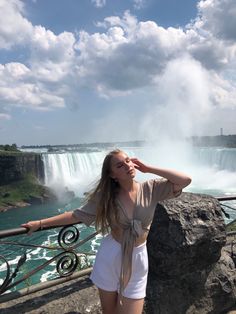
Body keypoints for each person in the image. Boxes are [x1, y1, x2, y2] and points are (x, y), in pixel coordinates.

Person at [22, 149, 191, 314]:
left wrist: (148, 169)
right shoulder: (106, 196)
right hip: (111, 256)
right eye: (120, 165)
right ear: (112, 175)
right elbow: (76, 215)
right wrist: (40, 223)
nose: (127, 166)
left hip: (138, 259)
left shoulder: (151, 188)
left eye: (128, 161)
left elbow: (185, 180)